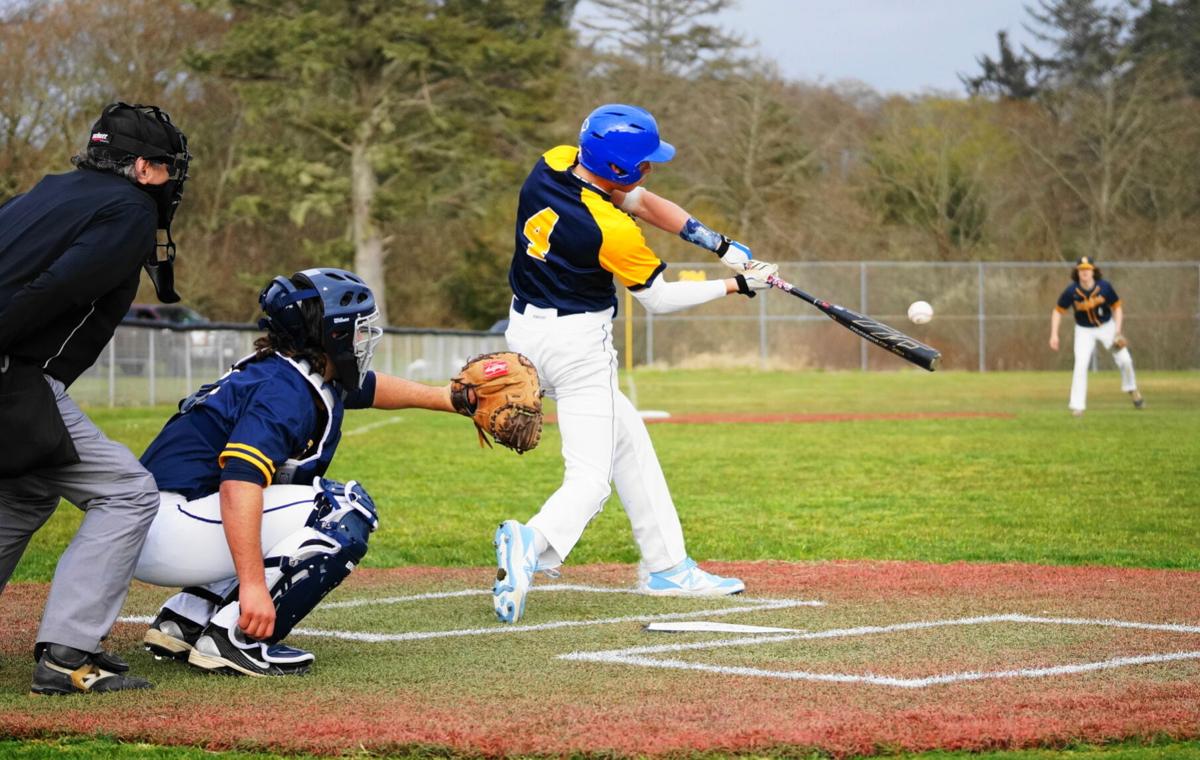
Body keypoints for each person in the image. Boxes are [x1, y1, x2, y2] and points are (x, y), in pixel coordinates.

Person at [491, 103, 778, 624]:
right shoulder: (609, 231)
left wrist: (722, 246)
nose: (650, 169)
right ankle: (532, 542)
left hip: (525, 334)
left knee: (630, 443)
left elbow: (641, 201)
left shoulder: (553, 164)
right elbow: (660, 298)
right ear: (620, 168)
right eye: (644, 162)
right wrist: (737, 285)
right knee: (590, 478)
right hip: (577, 347)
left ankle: (668, 566)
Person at [133, 267, 471, 677]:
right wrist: (254, 587)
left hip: (153, 523)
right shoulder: (285, 391)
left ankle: (186, 618)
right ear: (333, 334)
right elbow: (239, 483)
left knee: (289, 493)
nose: (365, 339)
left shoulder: (286, 368)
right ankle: (234, 638)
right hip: (169, 529)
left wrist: (450, 399)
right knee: (341, 510)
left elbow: (369, 388)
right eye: (359, 330)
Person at [0, 103, 190, 695]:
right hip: (15, 378)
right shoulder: (129, 209)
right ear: (139, 167)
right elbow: (57, 286)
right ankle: (67, 654)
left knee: (26, 493)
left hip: (18, 376)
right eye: (165, 166)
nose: (171, 178)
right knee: (128, 493)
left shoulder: (51, 190)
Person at [1049, 256, 1144, 416]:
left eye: (1087, 269)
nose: (1085, 272)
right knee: (1080, 365)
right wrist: (1054, 334)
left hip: (1106, 327)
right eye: (1081, 269)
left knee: (1125, 360)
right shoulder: (1072, 291)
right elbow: (1057, 311)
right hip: (1084, 330)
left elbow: (1117, 307)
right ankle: (1077, 406)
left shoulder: (1104, 287)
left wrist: (1117, 331)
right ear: (1077, 272)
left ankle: (1132, 389)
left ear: (1093, 271)